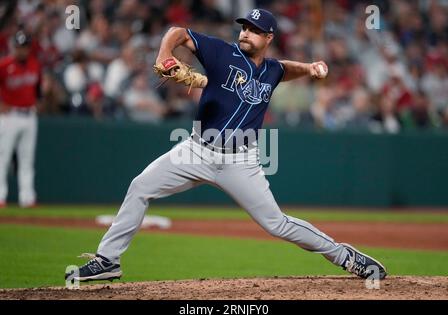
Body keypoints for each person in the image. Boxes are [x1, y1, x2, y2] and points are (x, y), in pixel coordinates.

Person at [66, 9, 387, 282]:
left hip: (240, 161)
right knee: (140, 186)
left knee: (276, 224)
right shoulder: (222, 52)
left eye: (256, 30)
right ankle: (108, 260)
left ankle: (345, 256)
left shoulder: (272, 69)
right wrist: (165, 54)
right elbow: (177, 32)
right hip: (195, 150)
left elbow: (284, 69)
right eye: (245, 27)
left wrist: (310, 67)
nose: (247, 33)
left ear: (269, 38)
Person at [0, 31, 41, 208]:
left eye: (24, 47)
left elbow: (38, 90)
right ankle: (0, 196)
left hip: (29, 115)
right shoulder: (4, 65)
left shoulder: (35, 65)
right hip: (10, 116)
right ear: (14, 47)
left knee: (27, 159)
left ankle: (27, 198)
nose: (21, 50)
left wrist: (37, 103)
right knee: (3, 157)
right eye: (19, 46)